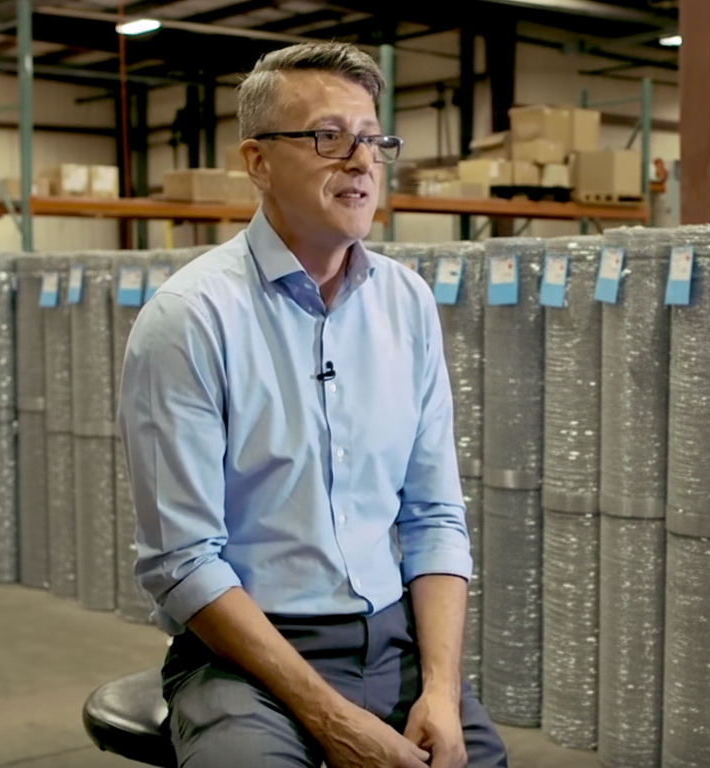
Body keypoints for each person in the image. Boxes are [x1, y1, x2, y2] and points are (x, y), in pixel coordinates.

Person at [118, 42, 507, 768]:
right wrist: (334, 720)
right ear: (258, 161)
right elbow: (182, 560)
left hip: (393, 643)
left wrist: (444, 691)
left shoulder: (407, 304)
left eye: (373, 140)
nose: (361, 161)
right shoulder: (190, 319)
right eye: (330, 138)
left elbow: (434, 517)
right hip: (246, 659)